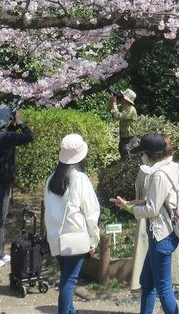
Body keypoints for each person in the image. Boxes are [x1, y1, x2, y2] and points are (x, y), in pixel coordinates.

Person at [114, 133, 179, 314]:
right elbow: (163, 200)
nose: (141, 157)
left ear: (149, 154)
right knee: (147, 281)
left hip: (162, 235)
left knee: (163, 288)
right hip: (164, 234)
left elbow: (152, 211)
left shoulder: (158, 175)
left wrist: (128, 207)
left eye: (142, 153)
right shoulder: (174, 167)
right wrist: (143, 202)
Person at [44, 134, 101, 314]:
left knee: (65, 278)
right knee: (69, 281)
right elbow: (91, 212)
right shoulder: (80, 179)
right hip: (76, 237)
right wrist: (94, 239)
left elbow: (48, 209)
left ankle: (70, 311)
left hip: (56, 237)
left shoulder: (51, 179)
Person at [0, 104, 34, 269]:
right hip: (1, 184)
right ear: (3, 122)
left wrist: (12, 126)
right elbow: (29, 137)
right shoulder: (6, 137)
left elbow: (7, 135)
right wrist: (21, 123)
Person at [109, 89, 139, 160]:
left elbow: (117, 116)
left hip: (130, 140)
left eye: (122, 96)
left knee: (129, 160)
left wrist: (114, 103)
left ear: (126, 99)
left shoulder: (131, 109)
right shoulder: (122, 107)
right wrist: (112, 102)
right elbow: (111, 110)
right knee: (123, 159)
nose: (121, 97)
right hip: (123, 139)